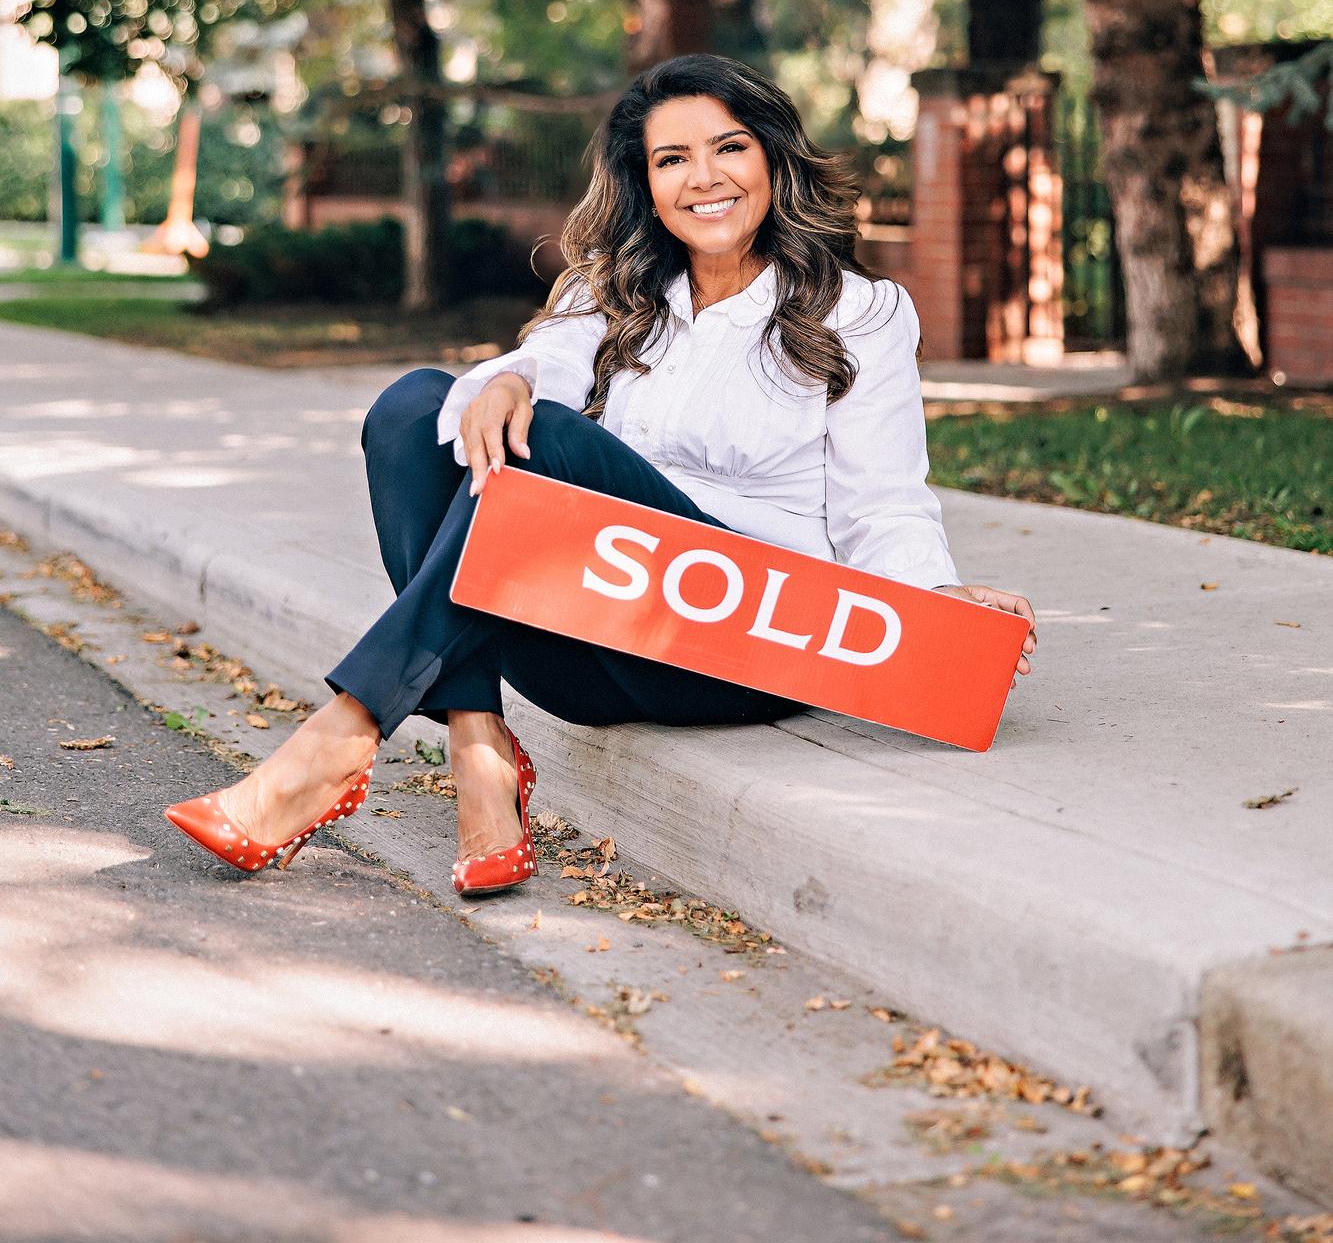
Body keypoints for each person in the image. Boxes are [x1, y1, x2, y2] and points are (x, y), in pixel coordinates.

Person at [165, 54, 1036, 891]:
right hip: (591, 641)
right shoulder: (610, 294)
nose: (705, 178)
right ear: (645, 186)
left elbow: (880, 500)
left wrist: (934, 596)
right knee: (414, 407)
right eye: (672, 159)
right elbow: (547, 357)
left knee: (546, 440)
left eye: (729, 147)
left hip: (737, 648)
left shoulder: (861, 313)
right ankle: (479, 747)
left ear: (772, 158)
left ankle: (339, 739)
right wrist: (508, 372)